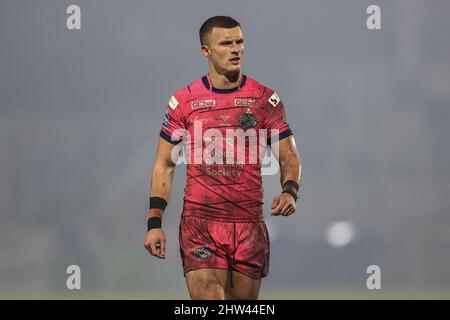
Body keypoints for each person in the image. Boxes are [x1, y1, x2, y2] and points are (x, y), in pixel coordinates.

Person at [144, 16, 302, 300]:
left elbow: (288, 153)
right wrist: (154, 223)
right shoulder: (184, 102)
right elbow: (164, 165)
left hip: (248, 224)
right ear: (206, 50)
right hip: (199, 223)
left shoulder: (265, 99)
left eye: (239, 42)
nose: (235, 49)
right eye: (226, 43)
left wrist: (290, 191)